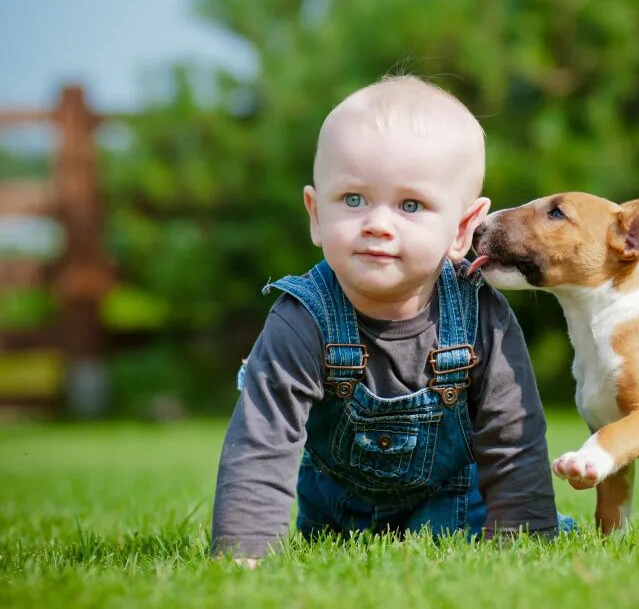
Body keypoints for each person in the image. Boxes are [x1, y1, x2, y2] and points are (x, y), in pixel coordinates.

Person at [211, 75, 566, 564]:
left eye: (410, 205)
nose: (377, 223)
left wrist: (526, 542)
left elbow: (513, 439)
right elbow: (262, 440)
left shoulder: (480, 314)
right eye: (353, 200)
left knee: (538, 529)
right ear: (316, 214)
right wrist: (243, 556)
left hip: (458, 514)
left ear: (463, 228)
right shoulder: (302, 319)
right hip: (338, 526)